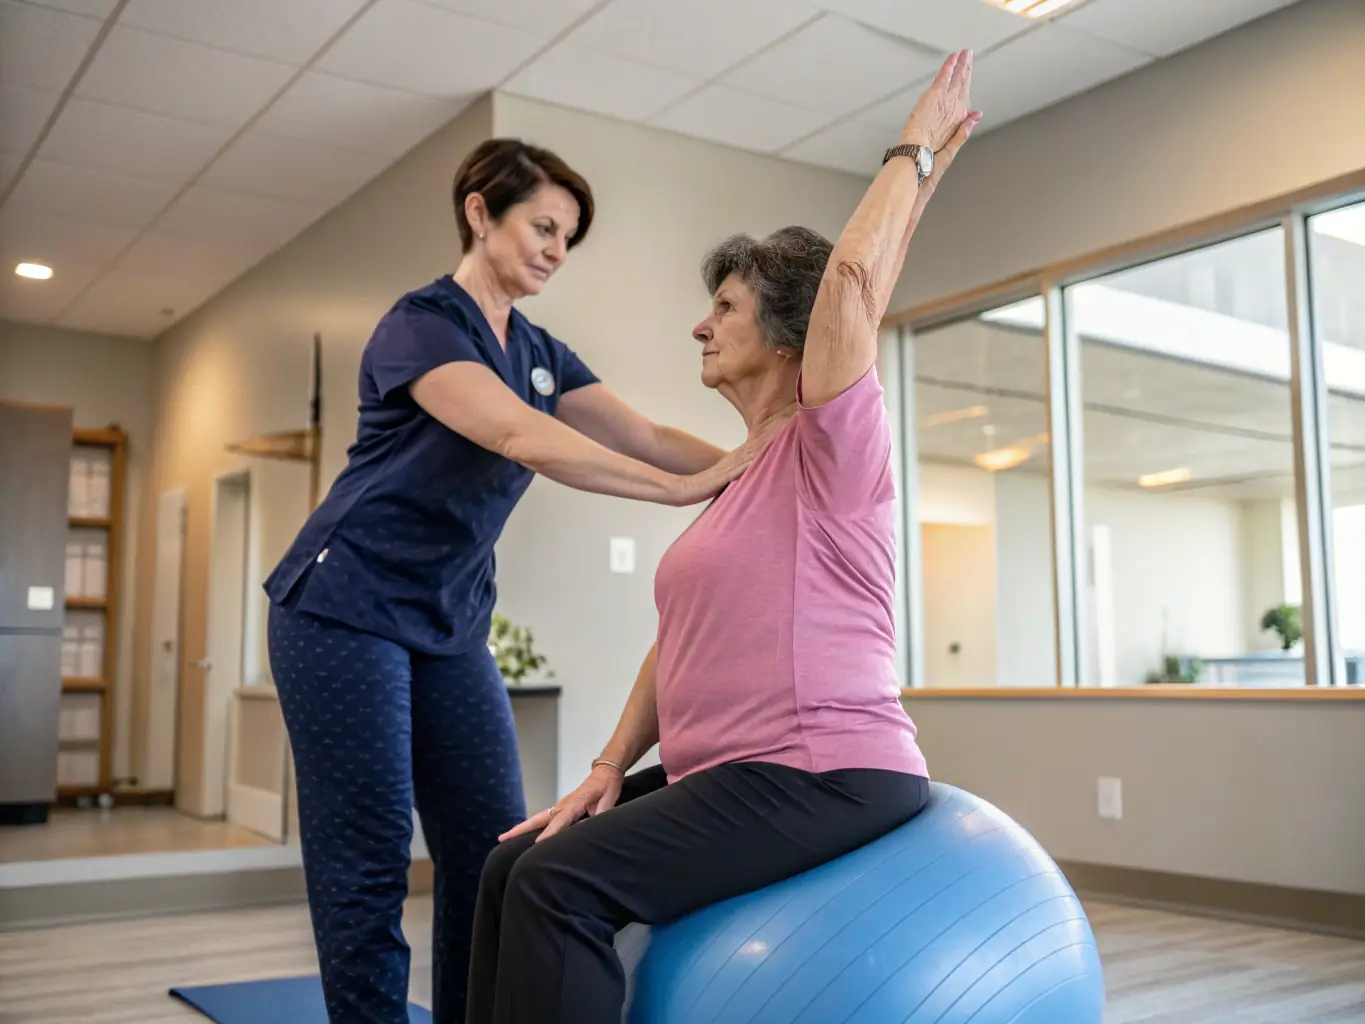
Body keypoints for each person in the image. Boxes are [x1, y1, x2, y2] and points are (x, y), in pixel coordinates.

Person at [465, 50, 983, 1024]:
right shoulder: (737, 474)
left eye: (726, 309)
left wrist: (913, 156)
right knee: (511, 863)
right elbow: (682, 640)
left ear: (789, 339)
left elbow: (852, 286)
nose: (700, 328)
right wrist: (611, 762)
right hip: (739, 769)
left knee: (559, 888)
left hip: (824, 770)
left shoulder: (833, 447)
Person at [263, 138, 768, 1024]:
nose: (554, 250)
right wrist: (686, 490)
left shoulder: (537, 349)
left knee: (495, 848)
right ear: (478, 212)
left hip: (447, 624)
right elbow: (516, 435)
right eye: (541, 225)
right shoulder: (421, 324)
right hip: (343, 608)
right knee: (370, 854)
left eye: (566, 238)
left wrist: (759, 463)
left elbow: (643, 436)